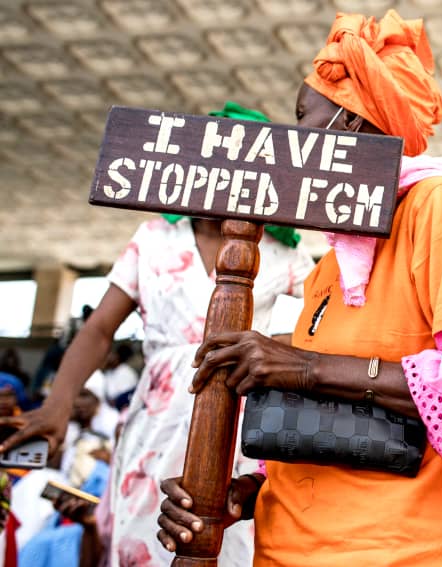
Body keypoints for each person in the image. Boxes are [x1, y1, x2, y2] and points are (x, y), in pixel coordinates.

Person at [157, 10, 442, 566]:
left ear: (351, 126)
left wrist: (300, 366)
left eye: (303, 118)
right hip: (288, 548)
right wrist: (239, 494)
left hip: (401, 552)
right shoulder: (332, 262)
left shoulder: (437, 204)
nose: (291, 138)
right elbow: (329, 424)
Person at [0, 101, 316, 566]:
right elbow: (100, 328)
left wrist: (267, 349)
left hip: (240, 427)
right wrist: (56, 405)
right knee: (143, 538)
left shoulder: (281, 252)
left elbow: (327, 325)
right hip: (157, 422)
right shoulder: (153, 238)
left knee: (233, 542)